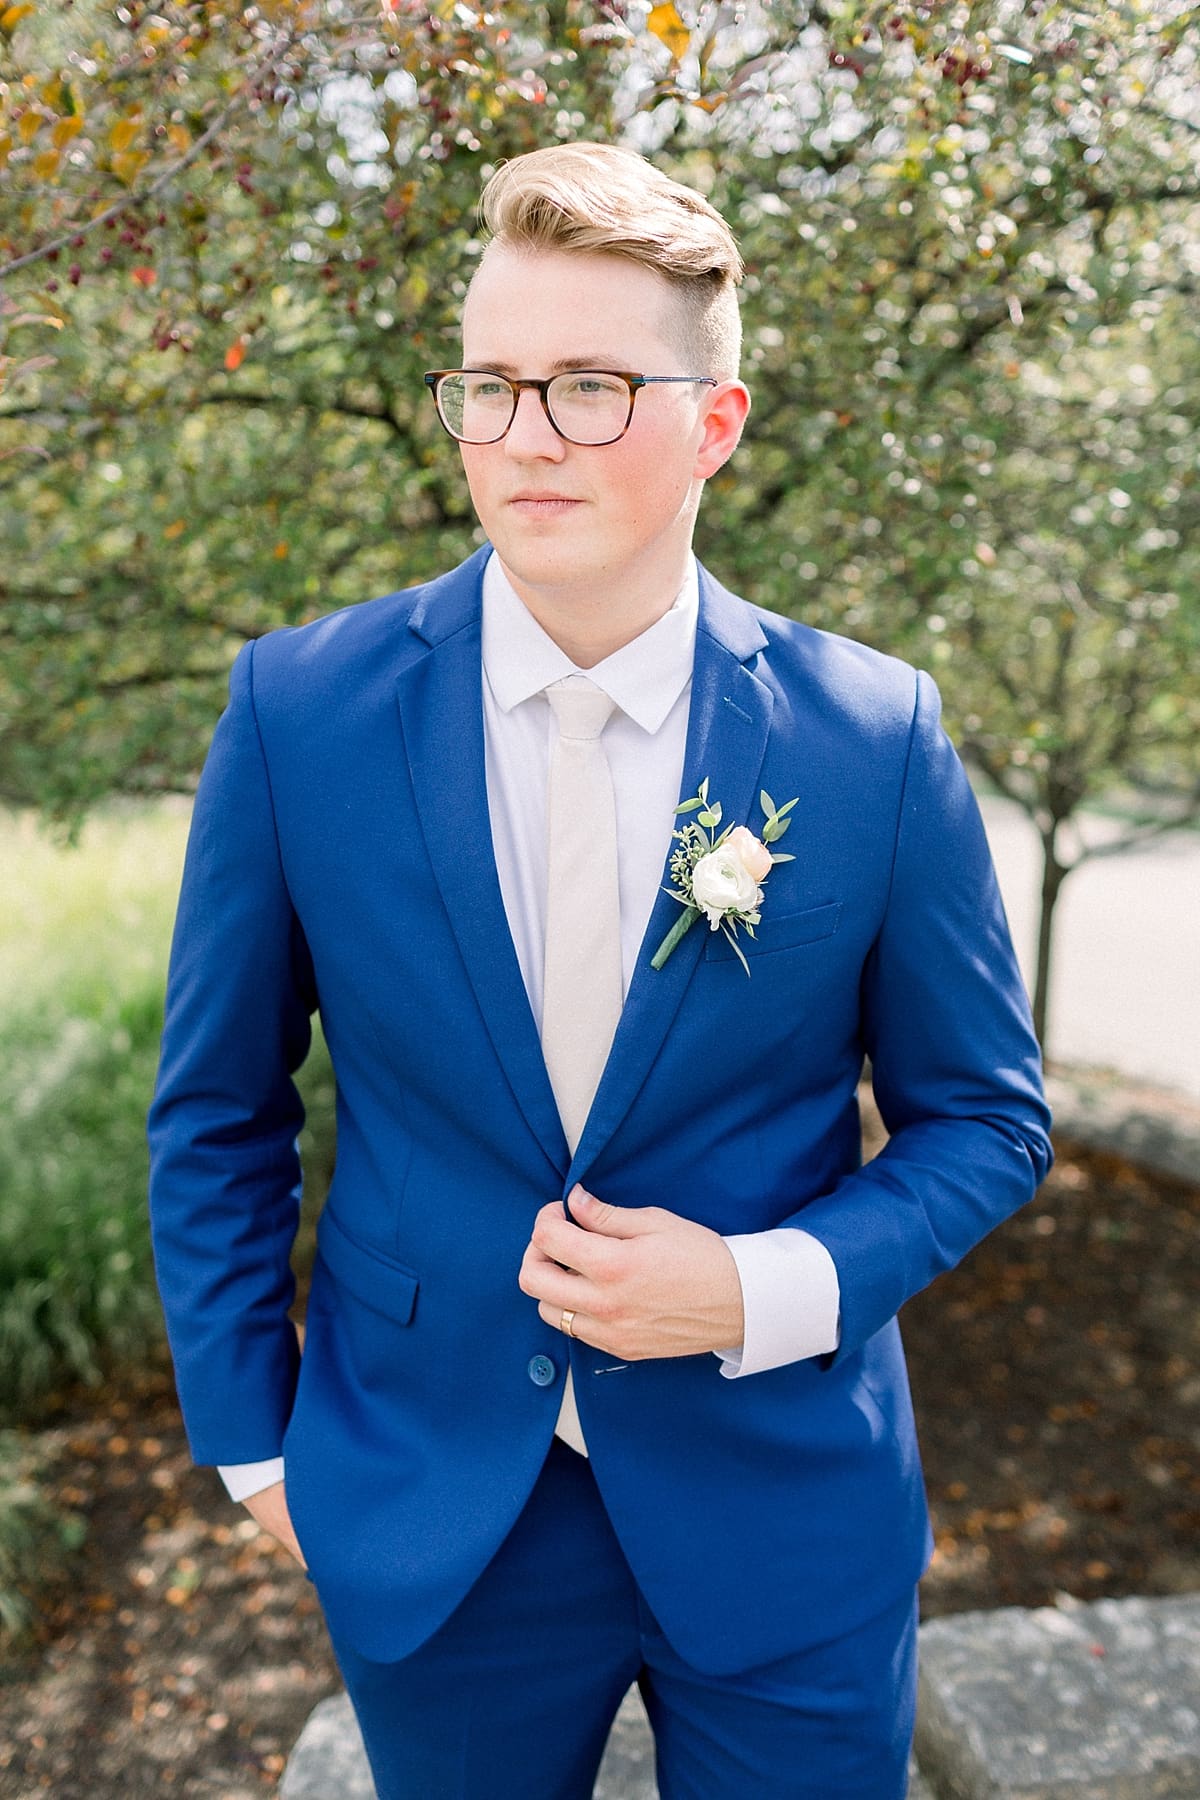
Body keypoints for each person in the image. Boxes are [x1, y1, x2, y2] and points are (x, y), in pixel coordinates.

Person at [147, 142, 1052, 1800]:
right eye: (489, 387)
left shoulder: (872, 739)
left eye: (585, 386)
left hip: (785, 1504)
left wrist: (759, 1286)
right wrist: (254, 1439)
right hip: (432, 1503)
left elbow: (987, 1124)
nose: (522, 437)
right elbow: (215, 1105)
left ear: (715, 421)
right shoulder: (299, 716)